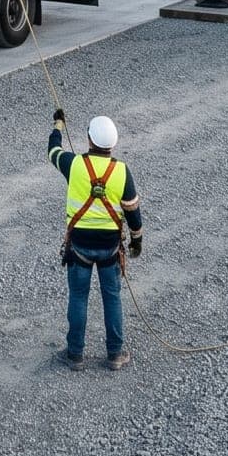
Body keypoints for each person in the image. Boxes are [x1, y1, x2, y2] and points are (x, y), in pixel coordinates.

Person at [48, 108, 143, 370]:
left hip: (79, 245)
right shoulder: (122, 171)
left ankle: (75, 355)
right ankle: (115, 354)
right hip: (110, 248)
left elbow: (53, 152)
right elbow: (133, 211)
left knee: (78, 297)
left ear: (90, 140)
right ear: (112, 144)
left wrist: (58, 125)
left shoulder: (74, 164)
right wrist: (136, 241)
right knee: (112, 297)